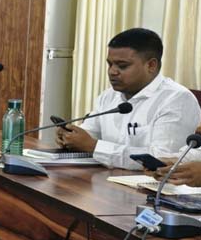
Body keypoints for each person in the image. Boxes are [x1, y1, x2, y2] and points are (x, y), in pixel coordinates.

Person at [57, 28, 201, 169]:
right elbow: (90, 132)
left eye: (122, 66)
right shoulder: (109, 96)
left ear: (151, 65)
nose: (112, 71)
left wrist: (94, 146)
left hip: (149, 182)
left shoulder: (177, 100)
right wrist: (70, 137)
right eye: (110, 64)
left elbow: (162, 159)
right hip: (107, 178)